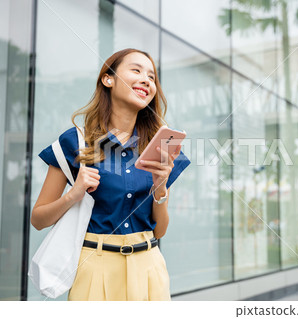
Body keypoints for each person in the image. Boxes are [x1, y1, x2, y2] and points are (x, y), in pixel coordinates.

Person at [30, 48, 191, 301]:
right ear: (108, 79)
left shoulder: (160, 144)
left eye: (152, 77)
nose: (146, 80)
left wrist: (160, 188)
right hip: (95, 270)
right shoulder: (75, 141)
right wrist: (73, 195)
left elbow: (159, 231)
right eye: (136, 70)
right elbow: (38, 219)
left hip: (149, 269)